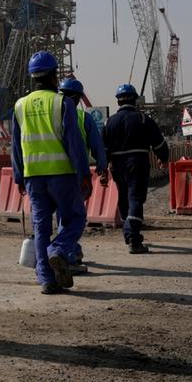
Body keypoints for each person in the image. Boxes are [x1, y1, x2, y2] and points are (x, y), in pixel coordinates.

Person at [11, 52, 92, 295]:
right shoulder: (62, 103)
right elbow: (74, 143)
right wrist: (83, 173)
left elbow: (16, 145)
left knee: (41, 226)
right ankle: (58, 250)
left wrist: (18, 177)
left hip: (33, 176)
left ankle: (46, 279)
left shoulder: (19, 105)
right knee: (75, 219)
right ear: (54, 75)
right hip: (62, 174)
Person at [102, 83, 169, 253]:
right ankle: (133, 238)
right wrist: (164, 159)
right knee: (135, 198)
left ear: (118, 101)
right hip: (137, 162)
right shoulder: (143, 119)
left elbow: (103, 149)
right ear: (135, 99)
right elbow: (159, 143)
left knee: (124, 198)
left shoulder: (109, 122)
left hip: (117, 165)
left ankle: (129, 232)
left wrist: (103, 169)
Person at [57, 77, 109, 273]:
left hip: (48, 174)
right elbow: (97, 146)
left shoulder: (50, 114)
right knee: (73, 217)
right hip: (74, 173)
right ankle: (67, 256)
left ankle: (72, 250)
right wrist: (102, 167)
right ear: (78, 98)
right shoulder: (82, 117)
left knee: (62, 216)